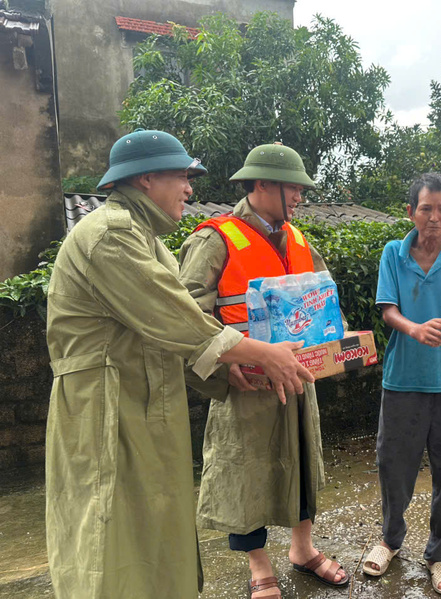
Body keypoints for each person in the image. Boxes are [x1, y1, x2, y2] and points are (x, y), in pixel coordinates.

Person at [45, 130, 314, 599]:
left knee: (153, 526)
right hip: (106, 406)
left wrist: (221, 371)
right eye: (181, 177)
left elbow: (172, 335)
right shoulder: (110, 234)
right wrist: (261, 354)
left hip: (146, 400)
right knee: (109, 531)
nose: (190, 189)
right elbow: (177, 318)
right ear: (146, 179)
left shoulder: (145, 240)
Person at [178, 143, 349, 598]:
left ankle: (303, 549)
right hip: (246, 383)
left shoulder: (298, 239)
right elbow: (185, 315)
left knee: (303, 460)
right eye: (292, 188)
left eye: (300, 189)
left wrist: (339, 340)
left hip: (297, 377)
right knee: (245, 472)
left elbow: (326, 298)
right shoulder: (214, 239)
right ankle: (259, 568)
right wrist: (223, 367)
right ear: (260, 184)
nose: (298, 198)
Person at [364, 172, 441, 595]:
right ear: (410, 212)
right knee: (393, 465)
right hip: (402, 379)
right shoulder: (392, 254)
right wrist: (415, 329)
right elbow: (388, 311)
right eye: (426, 209)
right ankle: (389, 541)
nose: (434, 218)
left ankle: (438, 553)